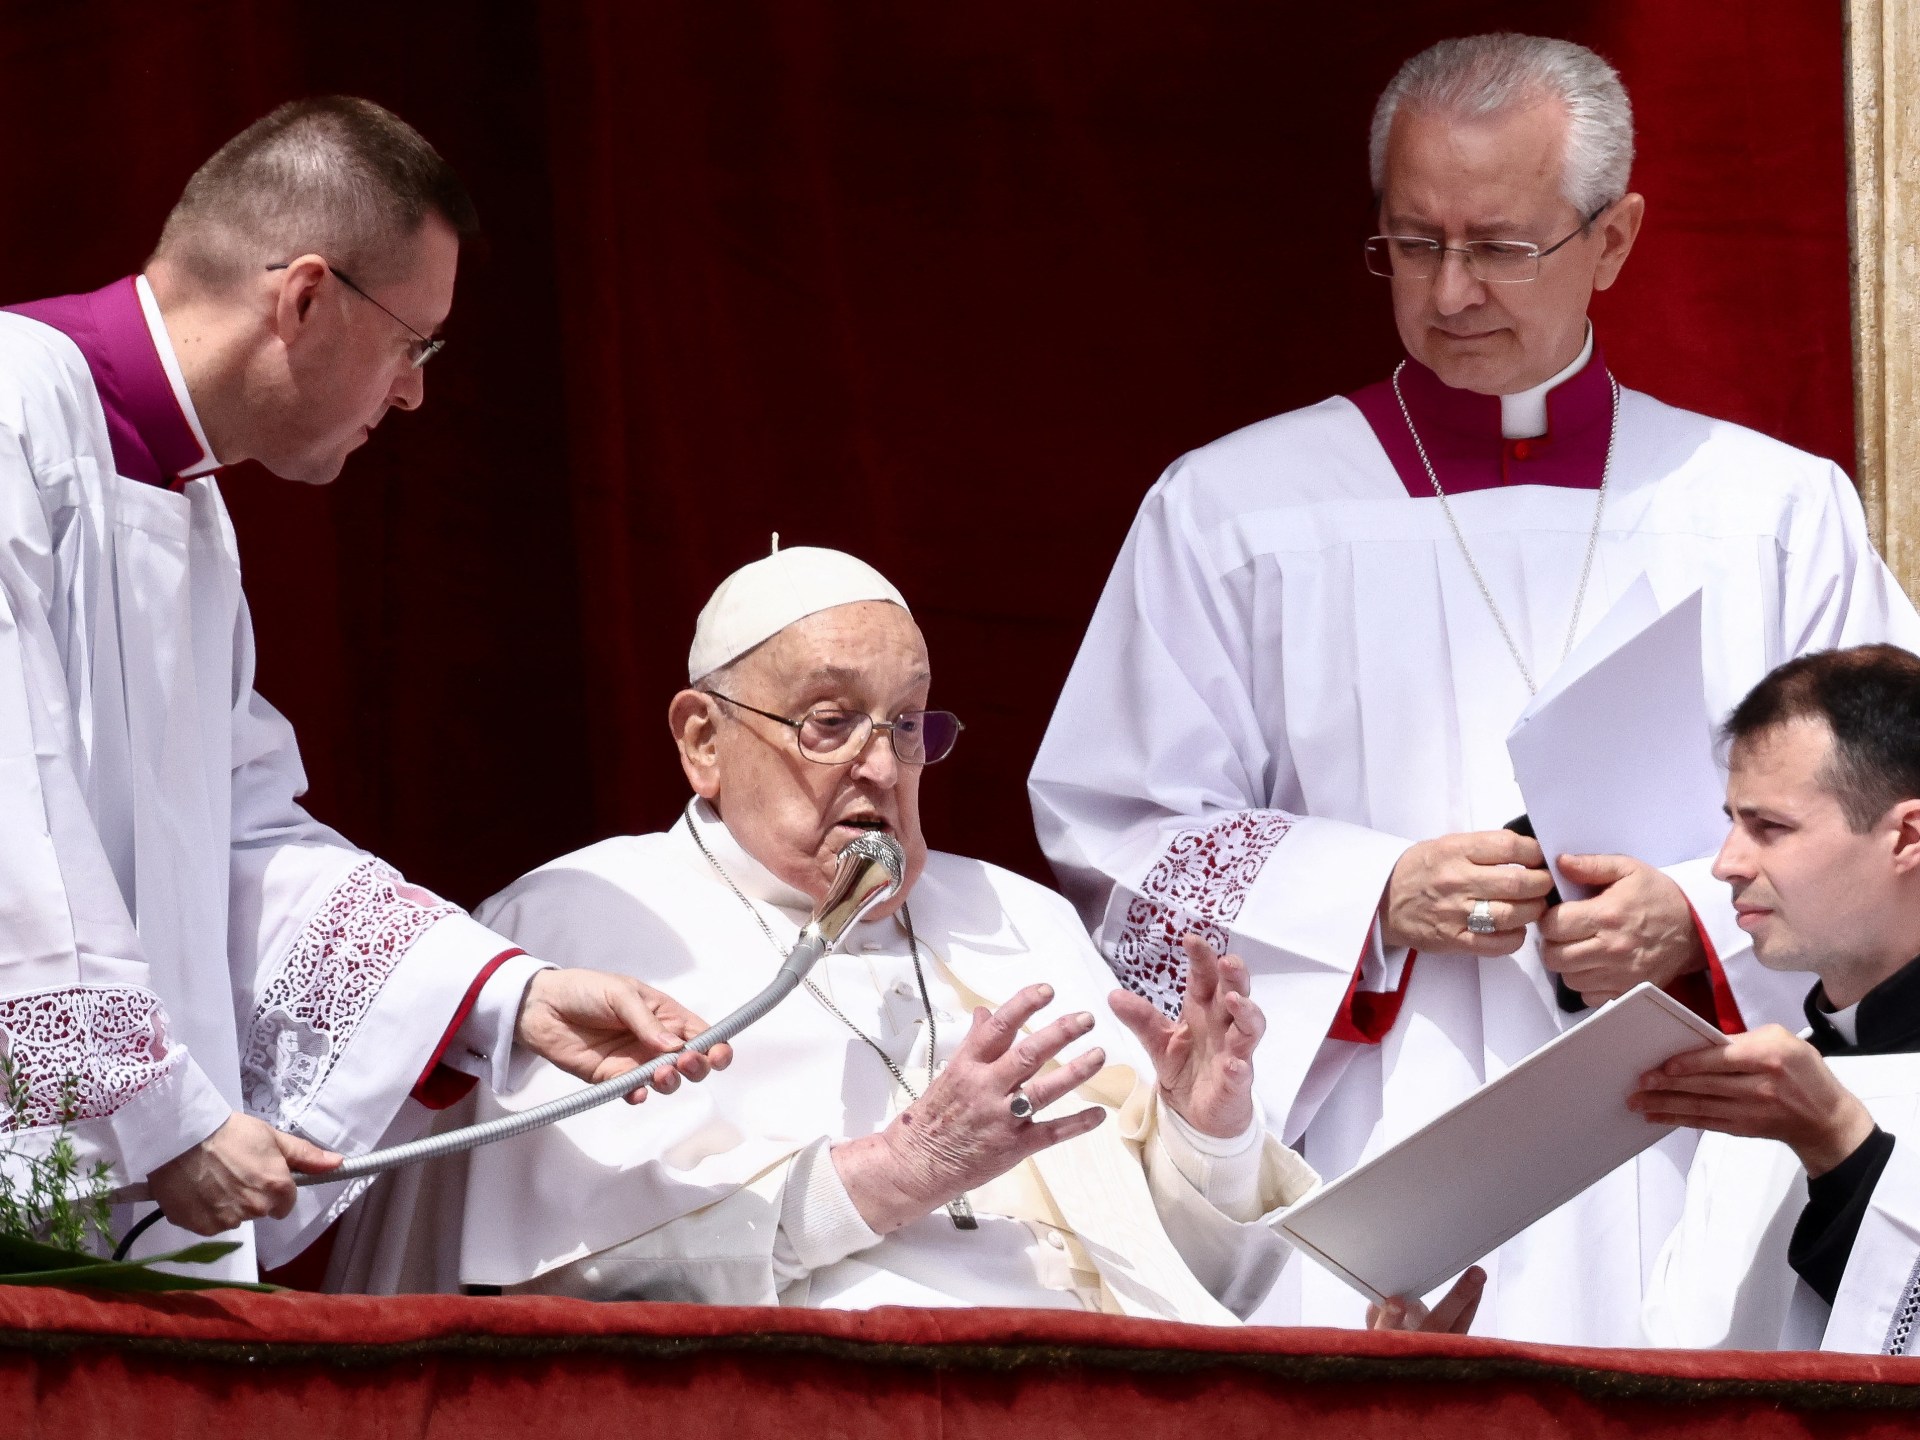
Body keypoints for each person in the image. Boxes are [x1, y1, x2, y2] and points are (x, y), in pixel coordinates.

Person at [1027, 33, 1920, 1341]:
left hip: (1695, 1130)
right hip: (1383, 1133)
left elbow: (1895, 817)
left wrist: (1697, 917)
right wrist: (1376, 896)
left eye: (1501, 246)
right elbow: (1119, 834)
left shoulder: (1767, 510)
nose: (1450, 293)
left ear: (1612, 241)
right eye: (1412, 242)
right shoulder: (1233, 509)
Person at [333, 542, 1481, 1326]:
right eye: (829, 724)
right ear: (699, 739)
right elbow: (574, 1300)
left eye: (907, 724)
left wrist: (1208, 1137)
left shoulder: (1016, 921)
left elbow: (1199, 1283)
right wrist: (896, 1175)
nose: (881, 768)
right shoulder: (580, 924)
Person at [0, 97, 722, 1280]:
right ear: (306, 298)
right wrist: (162, 1114)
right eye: (415, 345)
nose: (414, 394)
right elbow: (9, 826)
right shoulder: (10, 414)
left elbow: (236, 841)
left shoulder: (192, 513)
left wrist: (498, 996)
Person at [1636, 646, 1920, 1354]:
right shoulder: (1763, 1084)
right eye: (1732, 820)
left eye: (1771, 828)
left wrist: (1841, 1148)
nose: (1726, 863)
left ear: (1908, 837)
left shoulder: (1792, 1098)